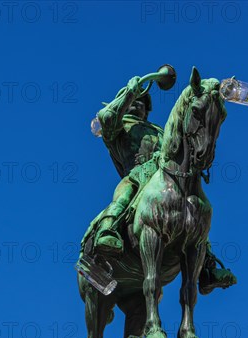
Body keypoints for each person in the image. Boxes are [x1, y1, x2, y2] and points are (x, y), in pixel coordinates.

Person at [82, 76, 236, 294]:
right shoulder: (118, 126)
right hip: (136, 175)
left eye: (143, 103)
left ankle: (207, 267)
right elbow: (107, 118)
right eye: (135, 101)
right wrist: (129, 92)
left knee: (194, 210)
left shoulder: (159, 130)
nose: (138, 104)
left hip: (164, 176)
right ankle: (108, 232)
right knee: (124, 196)